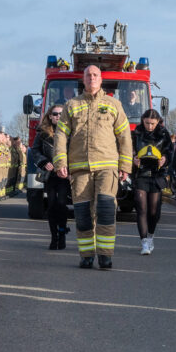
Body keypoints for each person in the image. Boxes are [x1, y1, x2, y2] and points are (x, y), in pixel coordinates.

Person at [53, 65, 133, 269]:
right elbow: (60, 135)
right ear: (83, 79)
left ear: (101, 79)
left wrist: (125, 165)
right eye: (88, 75)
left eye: (95, 75)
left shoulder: (114, 104)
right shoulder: (72, 105)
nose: (92, 78)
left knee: (106, 209)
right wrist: (60, 162)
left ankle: (105, 255)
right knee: (82, 213)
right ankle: (86, 255)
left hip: (107, 166)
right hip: (80, 168)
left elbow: (124, 136)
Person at [30, 104, 71, 249]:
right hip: (50, 174)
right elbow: (35, 151)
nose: (58, 117)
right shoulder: (42, 132)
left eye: (60, 114)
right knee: (52, 205)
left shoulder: (71, 132)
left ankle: (62, 232)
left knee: (61, 203)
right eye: (55, 114)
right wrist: (44, 162)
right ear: (50, 116)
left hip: (65, 174)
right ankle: (54, 237)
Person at [132, 109, 173, 255]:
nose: (149, 126)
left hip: (157, 174)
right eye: (147, 123)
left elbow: (170, 151)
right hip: (140, 173)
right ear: (143, 120)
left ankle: (150, 236)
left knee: (154, 211)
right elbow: (128, 150)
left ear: (158, 122)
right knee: (141, 208)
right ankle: (144, 242)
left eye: (153, 123)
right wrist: (133, 159)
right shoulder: (136, 133)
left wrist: (165, 159)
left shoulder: (163, 134)